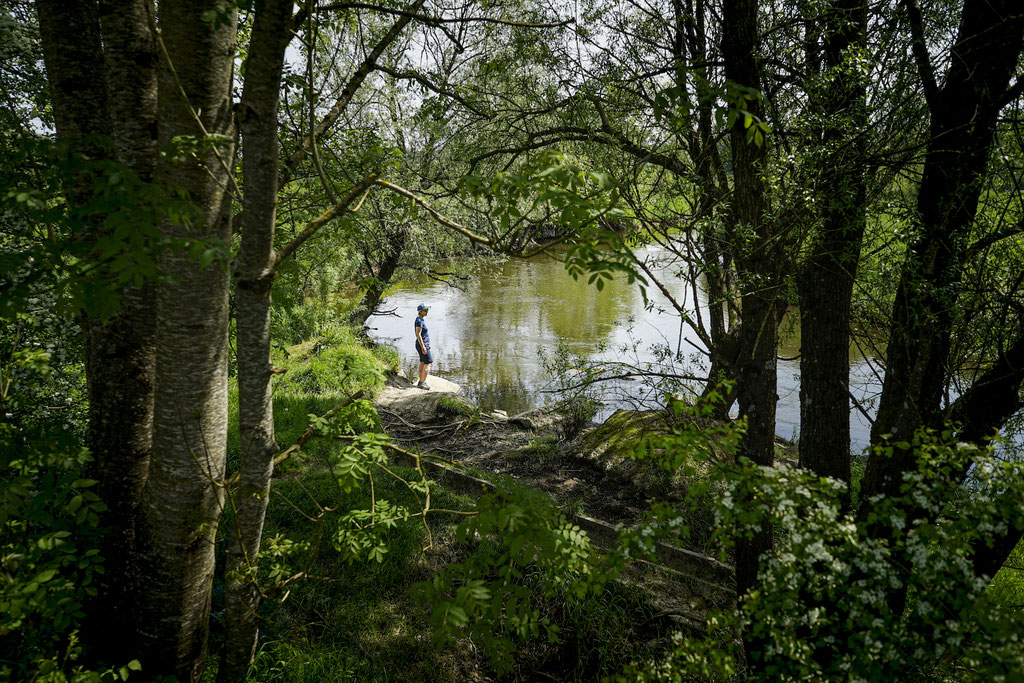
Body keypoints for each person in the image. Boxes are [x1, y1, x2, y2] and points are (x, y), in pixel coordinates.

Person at [414, 303, 432, 390]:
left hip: (422, 344)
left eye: (427, 310)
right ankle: (422, 382)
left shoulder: (420, 319)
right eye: (425, 310)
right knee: (429, 363)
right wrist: (423, 347)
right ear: (421, 311)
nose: (427, 312)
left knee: (422, 362)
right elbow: (418, 334)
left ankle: (420, 381)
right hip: (423, 344)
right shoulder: (419, 321)